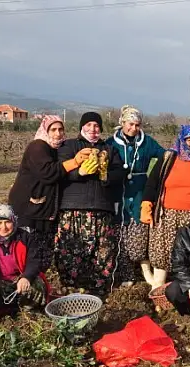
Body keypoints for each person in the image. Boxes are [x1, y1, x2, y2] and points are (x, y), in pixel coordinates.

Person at [8, 115, 92, 273]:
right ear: (45, 131)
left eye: (61, 129)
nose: (58, 133)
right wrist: (74, 162)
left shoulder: (57, 150)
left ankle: (40, 287)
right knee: (26, 254)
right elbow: (48, 173)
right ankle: (23, 289)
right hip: (28, 210)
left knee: (42, 255)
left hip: (44, 211)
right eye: (53, 129)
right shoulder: (37, 147)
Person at [55, 112, 125, 294]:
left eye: (96, 126)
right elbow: (60, 171)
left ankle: (98, 292)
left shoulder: (109, 149)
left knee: (103, 252)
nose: (93, 130)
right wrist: (80, 173)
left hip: (102, 208)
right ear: (82, 127)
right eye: (89, 125)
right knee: (72, 251)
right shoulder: (69, 146)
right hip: (74, 208)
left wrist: (105, 175)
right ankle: (72, 290)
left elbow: (120, 173)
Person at [106, 105, 166, 286]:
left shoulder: (147, 142)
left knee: (139, 231)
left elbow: (164, 156)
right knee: (120, 233)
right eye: (130, 124)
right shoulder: (111, 143)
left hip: (140, 190)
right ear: (122, 122)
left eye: (137, 125)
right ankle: (126, 273)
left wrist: (154, 176)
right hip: (118, 192)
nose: (133, 128)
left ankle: (144, 268)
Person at [141, 125, 190, 289]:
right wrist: (147, 205)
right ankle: (158, 288)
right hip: (166, 215)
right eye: (189, 140)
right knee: (162, 253)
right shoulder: (169, 157)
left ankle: (183, 290)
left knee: (186, 255)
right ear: (182, 140)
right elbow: (152, 183)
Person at [0, 205, 49, 313]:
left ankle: (28, 312)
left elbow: (34, 261)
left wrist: (26, 277)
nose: (3, 227)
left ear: (14, 221)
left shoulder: (25, 237)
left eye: (7, 222)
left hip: (19, 282)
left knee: (38, 284)